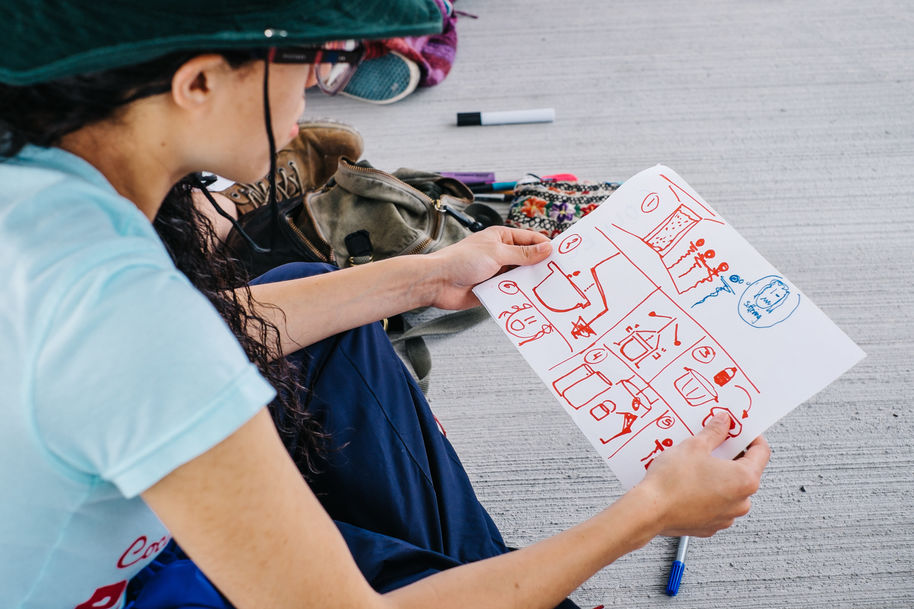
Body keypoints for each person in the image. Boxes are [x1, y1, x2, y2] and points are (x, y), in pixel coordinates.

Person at [0, 2, 771, 609]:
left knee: (309, 303)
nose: (316, 81)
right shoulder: (136, 323)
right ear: (197, 83)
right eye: (310, 55)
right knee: (389, 572)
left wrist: (426, 276)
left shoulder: (37, 173)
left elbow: (203, 330)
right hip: (122, 588)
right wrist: (648, 512)